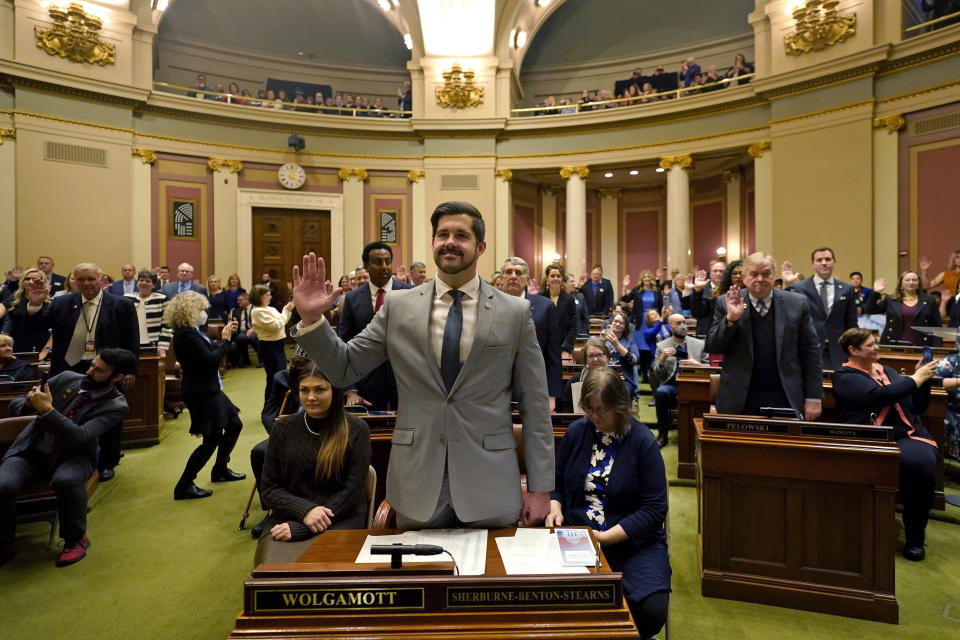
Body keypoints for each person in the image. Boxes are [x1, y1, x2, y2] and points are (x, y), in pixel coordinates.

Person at [291, 200, 554, 529]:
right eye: (442, 233)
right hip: (417, 482)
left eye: (461, 234)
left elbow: (535, 405)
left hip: (490, 482)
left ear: (480, 246)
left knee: (488, 577)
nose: (450, 241)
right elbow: (345, 367)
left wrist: (541, 489)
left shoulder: (514, 312)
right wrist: (313, 321)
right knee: (420, 577)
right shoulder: (398, 307)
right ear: (432, 243)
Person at [546, 368, 670, 639]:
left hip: (633, 542)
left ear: (619, 405)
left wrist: (604, 538)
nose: (594, 417)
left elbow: (654, 510)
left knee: (651, 610)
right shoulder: (577, 433)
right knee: (556, 601)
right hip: (579, 536)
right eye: (589, 409)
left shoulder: (642, 442)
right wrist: (555, 507)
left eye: (601, 410)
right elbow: (556, 481)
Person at [0, 348, 137, 567]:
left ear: (118, 377)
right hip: (32, 451)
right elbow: (15, 403)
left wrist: (47, 410)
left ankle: (75, 539)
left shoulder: (116, 405)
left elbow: (79, 436)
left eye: (99, 370)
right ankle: (3, 543)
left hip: (74, 456)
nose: (90, 371)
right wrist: (28, 402)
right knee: (2, 484)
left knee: (66, 480)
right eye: (92, 364)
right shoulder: (67, 378)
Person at [832, 328, 939, 561]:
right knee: (906, 462)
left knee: (921, 464)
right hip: (868, 437)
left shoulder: (886, 370)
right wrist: (914, 379)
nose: (877, 348)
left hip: (905, 434)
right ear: (853, 350)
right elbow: (877, 397)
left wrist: (923, 379)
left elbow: (917, 406)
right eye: (871, 345)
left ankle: (915, 538)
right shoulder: (844, 376)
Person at [254, 363, 371, 564]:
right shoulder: (282, 428)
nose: (310, 398)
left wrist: (306, 526)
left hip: (342, 517)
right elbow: (270, 489)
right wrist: (305, 511)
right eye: (304, 390)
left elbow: (351, 494)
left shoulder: (357, 429)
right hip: (290, 514)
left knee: (326, 570)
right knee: (274, 578)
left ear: (335, 390)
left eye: (320, 390)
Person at [48, 263, 139, 481]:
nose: (86, 283)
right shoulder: (60, 303)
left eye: (91, 279)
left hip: (107, 370)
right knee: (69, 415)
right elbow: (35, 326)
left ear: (101, 280)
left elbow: (132, 341)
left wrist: (129, 371)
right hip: (70, 369)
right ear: (74, 281)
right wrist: (33, 304)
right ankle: (68, 460)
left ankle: (108, 461)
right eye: (81, 279)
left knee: (108, 416)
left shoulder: (122, 305)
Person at [706, 252, 823, 420]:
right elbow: (713, 346)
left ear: (774, 277)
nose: (760, 278)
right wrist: (730, 319)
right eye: (754, 274)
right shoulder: (727, 302)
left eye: (766, 274)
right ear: (744, 277)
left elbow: (811, 352)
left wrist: (813, 396)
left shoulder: (797, 303)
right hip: (740, 396)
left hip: (785, 393)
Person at [166, 291, 245, 500]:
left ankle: (220, 469)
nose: (204, 314)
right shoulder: (185, 336)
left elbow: (208, 356)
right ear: (189, 312)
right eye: (200, 310)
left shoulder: (192, 332)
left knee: (235, 425)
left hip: (210, 389)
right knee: (212, 439)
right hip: (201, 392)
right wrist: (226, 340)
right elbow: (210, 361)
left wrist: (224, 337)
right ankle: (184, 484)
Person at [336, 242, 413, 410]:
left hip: (405, 382)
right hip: (366, 381)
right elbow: (345, 344)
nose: (384, 267)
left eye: (388, 261)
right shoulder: (352, 299)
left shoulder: (410, 293)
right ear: (366, 266)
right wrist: (350, 390)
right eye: (378, 262)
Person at [781, 247, 858, 370]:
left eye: (828, 259)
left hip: (838, 349)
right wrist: (787, 285)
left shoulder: (846, 289)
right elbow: (786, 314)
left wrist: (854, 349)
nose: (824, 263)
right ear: (812, 264)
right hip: (809, 347)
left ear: (834, 262)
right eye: (819, 260)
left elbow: (851, 322)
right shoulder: (800, 287)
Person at [500, 258, 563, 409]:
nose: (513, 276)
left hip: (534, 386)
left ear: (527, 280)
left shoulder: (545, 306)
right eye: (509, 272)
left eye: (519, 273)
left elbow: (553, 353)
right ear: (502, 279)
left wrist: (552, 394)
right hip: (497, 388)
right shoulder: (488, 305)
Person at [650, 313, 707, 448]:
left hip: (695, 385)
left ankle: (702, 433)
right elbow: (657, 375)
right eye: (678, 323)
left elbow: (710, 369)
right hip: (673, 385)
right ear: (670, 327)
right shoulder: (661, 346)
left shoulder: (699, 344)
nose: (683, 325)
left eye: (684, 322)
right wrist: (662, 360)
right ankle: (663, 435)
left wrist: (697, 364)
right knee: (660, 392)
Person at [866, 270, 942, 346]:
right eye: (907, 280)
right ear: (901, 283)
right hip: (893, 343)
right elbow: (870, 310)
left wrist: (937, 348)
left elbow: (937, 326)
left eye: (914, 280)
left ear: (919, 284)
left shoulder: (929, 300)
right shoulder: (891, 299)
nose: (911, 282)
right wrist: (875, 292)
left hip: (922, 344)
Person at [249, 284, 294, 402]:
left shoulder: (269, 308)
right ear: (259, 297)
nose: (270, 297)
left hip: (278, 346)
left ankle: (279, 407)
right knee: (274, 378)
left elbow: (283, 321)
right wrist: (285, 311)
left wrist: (288, 310)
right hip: (269, 347)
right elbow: (277, 325)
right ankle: (270, 408)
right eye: (267, 295)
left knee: (280, 376)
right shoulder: (257, 311)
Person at [1, 267, 53, 355]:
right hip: (16, 348)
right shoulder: (12, 300)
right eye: (27, 279)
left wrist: (46, 350)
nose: (31, 281)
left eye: (35, 279)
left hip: (40, 350)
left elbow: (54, 332)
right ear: (22, 281)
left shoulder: (50, 304)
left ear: (42, 282)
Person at [124, 269, 171, 356]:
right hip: (131, 344)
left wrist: (162, 346)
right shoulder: (127, 298)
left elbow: (167, 326)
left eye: (148, 281)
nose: (144, 283)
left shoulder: (163, 299)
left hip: (153, 346)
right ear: (137, 283)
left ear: (153, 285)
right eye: (141, 280)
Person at [540, 263, 578, 360]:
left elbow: (573, 327)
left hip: (563, 349)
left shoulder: (569, 300)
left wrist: (566, 349)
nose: (556, 278)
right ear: (547, 279)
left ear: (562, 279)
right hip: (542, 348)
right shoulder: (540, 298)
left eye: (558, 276)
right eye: (552, 276)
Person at [603, 311, 640, 399]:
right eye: (615, 321)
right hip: (603, 376)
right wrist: (601, 341)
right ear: (611, 323)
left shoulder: (630, 342)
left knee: (622, 395)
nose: (618, 324)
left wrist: (617, 345)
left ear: (625, 327)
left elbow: (634, 360)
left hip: (624, 378)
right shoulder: (603, 339)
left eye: (621, 323)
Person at [686, 259, 726, 337]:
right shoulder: (702, 288)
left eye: (721, 271)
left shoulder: (731, 289)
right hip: (705, 333)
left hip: (726, 333)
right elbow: (696, 313)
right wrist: (697, 290)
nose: (718, 274)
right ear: (710, 273)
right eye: (715, 271)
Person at [919, 250, 960, 317]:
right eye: (957, 257)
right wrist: (924, 271)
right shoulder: (946, 274)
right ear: (954, 260)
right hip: (949, 302)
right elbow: (926, 286)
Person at [228, 292, 259, 368]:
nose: (238, 302)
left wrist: (253, 329)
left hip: (255, 330)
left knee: (253, 337)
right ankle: (246, 360)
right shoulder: (237, 311)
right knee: (240, 338)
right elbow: (234, 323)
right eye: (237, 300)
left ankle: (262, 360)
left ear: (247, 300)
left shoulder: (256, 309)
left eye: (240, 300)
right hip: (242, 332)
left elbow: (260, 322)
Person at [564, 272, 590, 336]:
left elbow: (585, 318)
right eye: (571, 281)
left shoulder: (580, 296)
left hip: (578, 335)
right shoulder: (559, 298)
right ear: (564, 283)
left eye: (574, 281)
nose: (574, 284)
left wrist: (584, 333)